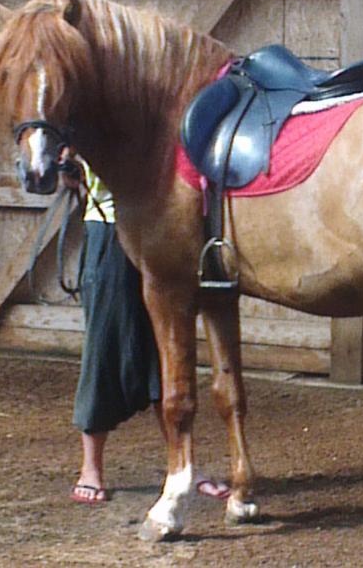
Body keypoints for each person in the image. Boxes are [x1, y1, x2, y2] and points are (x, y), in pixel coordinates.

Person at [65, 159, 228, 504]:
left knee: (165, 349)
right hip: (110, 226)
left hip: (159, 228)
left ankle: (184, 466)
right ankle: (90, 468)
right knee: (103, 347)